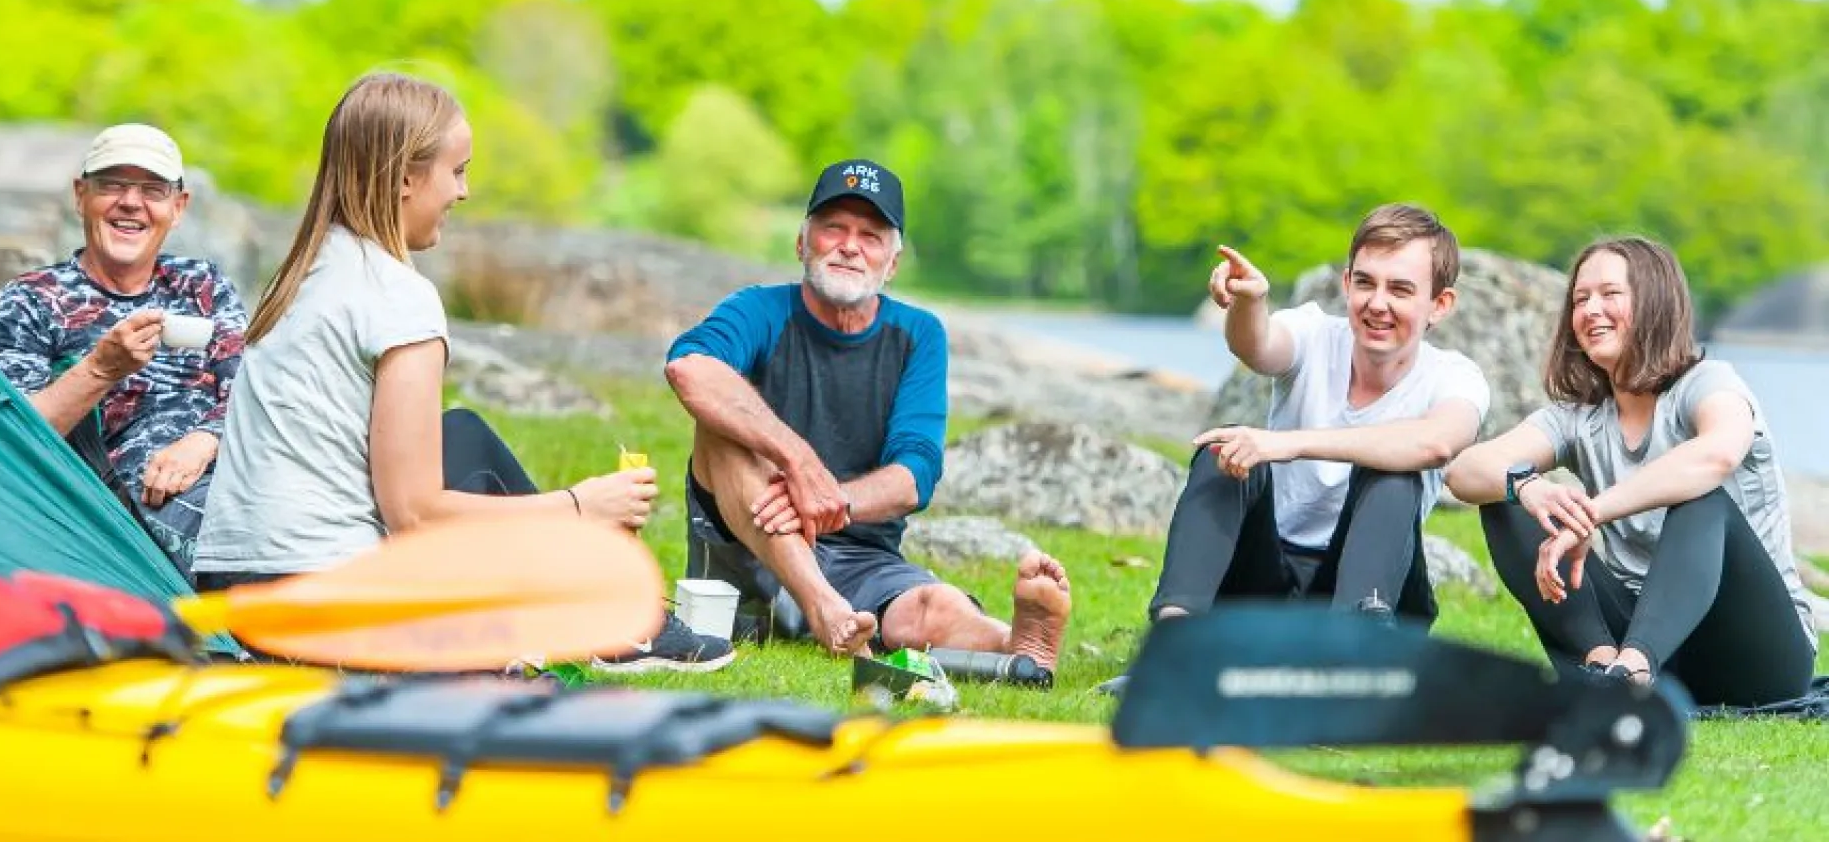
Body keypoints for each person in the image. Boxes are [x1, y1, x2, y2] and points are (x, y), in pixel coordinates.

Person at [193, 72, 731, 674]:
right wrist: (578, 506)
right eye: (456, 171)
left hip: (235, 590)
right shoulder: (399, 298)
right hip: (322, 597)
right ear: (404, 177)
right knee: (524, 714)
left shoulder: (301, 277)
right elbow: (414, 514)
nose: (464, 191)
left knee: (464, 434)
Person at [667, 158, 1072, 669]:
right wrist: (798, 464)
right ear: (801, 243)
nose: (850, 246)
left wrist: (831, 501)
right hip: (748, 541)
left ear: (892, 263)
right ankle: (823, 608)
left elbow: (914, 476)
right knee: (722, 427)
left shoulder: (918, 334)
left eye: (871, 235)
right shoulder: (758, 309)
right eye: (833, 227)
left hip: (861, 560)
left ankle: (1019, 644)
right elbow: (689, 368)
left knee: (933, 606)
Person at [1098, 204, 1491, 695]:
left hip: (1370, 591)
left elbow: (1434, 443)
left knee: (1393, 471)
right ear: (1346, 283)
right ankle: (1172, 653)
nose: (1377, 303)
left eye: (1401, 289)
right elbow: (1257, 345)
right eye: (1366, 283)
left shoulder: (1455, 376)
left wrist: (1287, 444)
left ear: (1440, 305)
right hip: (1265, 580)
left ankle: (1353, 664)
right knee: (1227, 451)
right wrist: (1249, 303)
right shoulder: (1313, 333)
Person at [1443, 235, 1816, 706]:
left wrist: (1590, 514)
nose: (1590, 310)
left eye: (1609, 294)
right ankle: (1603, 666)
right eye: (1580, 299)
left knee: (1702, 496)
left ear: (1653, 302)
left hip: (1755, 652)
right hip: (1639, 634)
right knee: (1504, 494)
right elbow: (1464, 471)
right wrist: (1528, 487)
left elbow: (1716, 454)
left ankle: (1633, 667)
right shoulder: (1577, 415)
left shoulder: (1708, 384)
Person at [0, 123, 247, 580]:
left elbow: (253, 387)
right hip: (124, 517)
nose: (131, 203)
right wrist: (100, 370)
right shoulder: (30, 302)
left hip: (235, 478)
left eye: (152, 190)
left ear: (178, 207)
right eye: (113, 184)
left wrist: (203, 441)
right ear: (81, 195)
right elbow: (2, 443)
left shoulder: (202, 284)